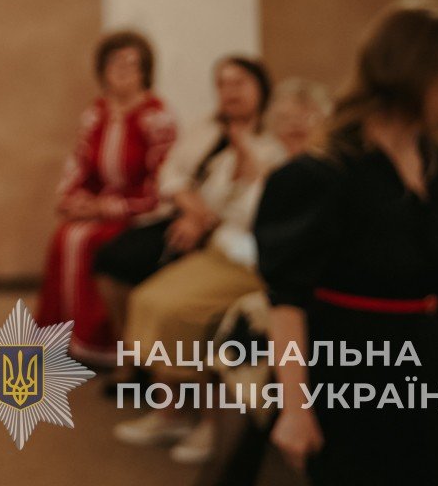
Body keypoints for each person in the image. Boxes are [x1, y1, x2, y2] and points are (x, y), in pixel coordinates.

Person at [256, 0, 438, 484]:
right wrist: (296, 407)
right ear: (414, 72)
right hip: (351, 366)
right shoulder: (321, 174)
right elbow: (287, 303)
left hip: (432, 359)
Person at [113, 76, 330, 464]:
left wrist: (256, 172)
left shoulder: (320, 169)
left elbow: (277, 227)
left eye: (306, 117)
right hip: (225, 249)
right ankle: (171, 411)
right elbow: (220, 202)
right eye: (286, 118)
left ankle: (210, 422)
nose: (295, 126)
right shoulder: (262, 152)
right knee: (149, 296)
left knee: (183, 311)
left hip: (258, 263)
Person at [94, 55, 274, 354]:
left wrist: (203, 220)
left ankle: (166, 360)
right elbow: (171, 172)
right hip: (187, 213)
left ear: (261, 87)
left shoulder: (268, 139)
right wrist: (193, 212)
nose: (230, 92)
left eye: (239, 83)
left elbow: (245, 200)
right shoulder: (207, 128)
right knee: (112, 258)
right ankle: (130, 353)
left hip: (225, 231)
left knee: (164, 269)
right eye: (222, 84)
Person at [37, 29, 177, 364]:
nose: (123, 72)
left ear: (145, 71)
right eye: (115, 64)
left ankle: (103, 341)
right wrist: (74, 198)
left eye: (131, 65)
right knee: (66, 237)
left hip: (138, 212)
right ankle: (66, 339)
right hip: (99, 205)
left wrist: (109, 207)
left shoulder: (156, 117)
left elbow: (162, 181)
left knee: (89, 242)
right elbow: (80, 162)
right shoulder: (97, 113)